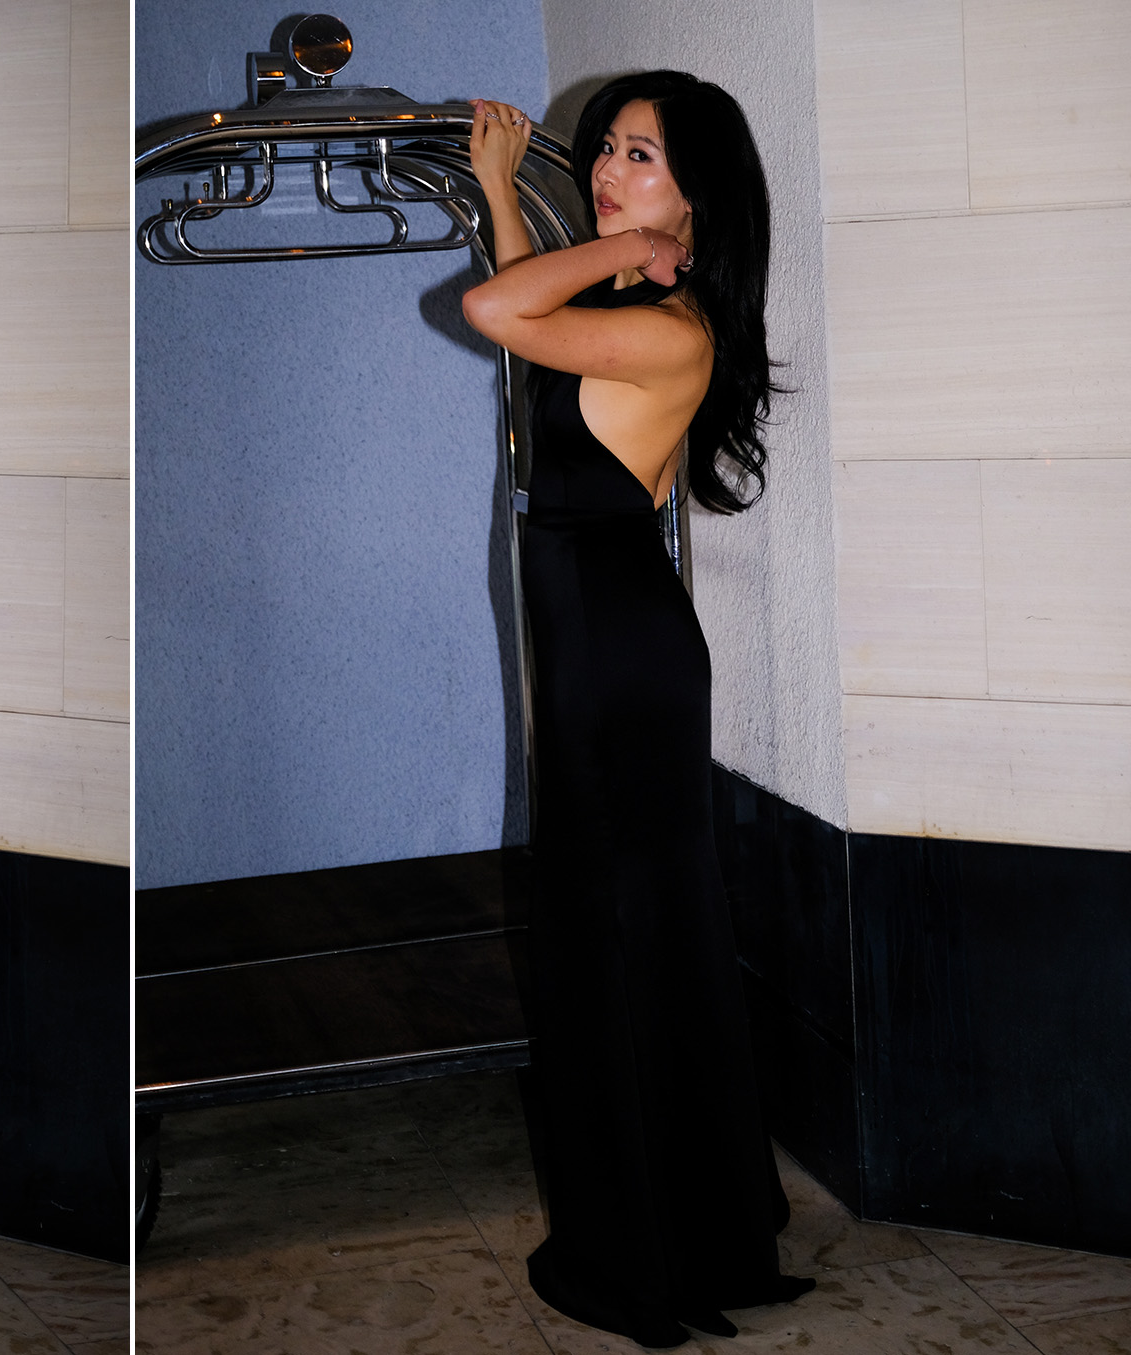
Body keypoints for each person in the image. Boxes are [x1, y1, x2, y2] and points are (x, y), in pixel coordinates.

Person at [460, 72, 814, 1348]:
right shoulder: (621, 308)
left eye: (641, 159)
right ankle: (691, 1221)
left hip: (620, 658)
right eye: (607, 150)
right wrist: (507, 191)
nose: (609, 173)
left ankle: (653, 1248)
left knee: (615, 935)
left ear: (697, 200)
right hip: (603, 649)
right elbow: (522, 326)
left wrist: (613, 240)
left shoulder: (670, 329)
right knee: (625, 931)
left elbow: (491, 308)